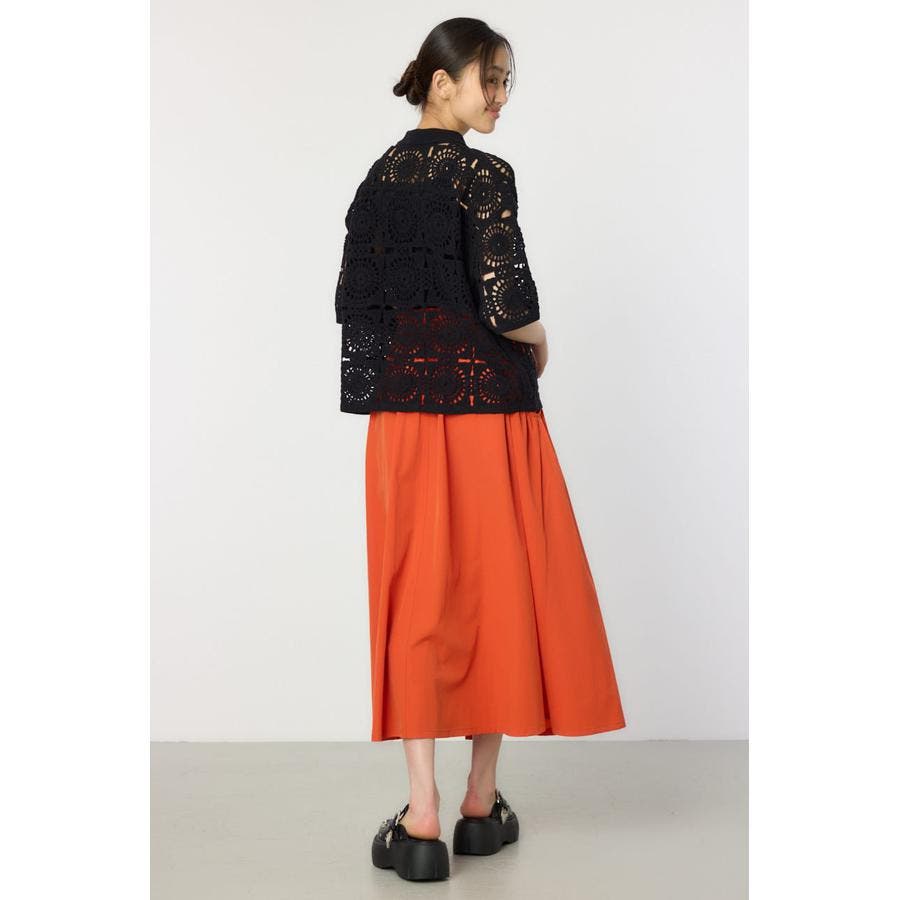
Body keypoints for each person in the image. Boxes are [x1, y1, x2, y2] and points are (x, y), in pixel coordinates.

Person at [333, 17, 626, 882]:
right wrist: (539, 341)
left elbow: (358, 305)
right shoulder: (483, 175)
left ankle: (420, 811)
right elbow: (505, 299)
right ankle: (480, 799)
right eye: (488, 80)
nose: (499, 98)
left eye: (505, 83)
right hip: (489, 410)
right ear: (441, 82)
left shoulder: (376, 180)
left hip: (403, 418)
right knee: (496, 589)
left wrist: (399, 379)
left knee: (416, 597)